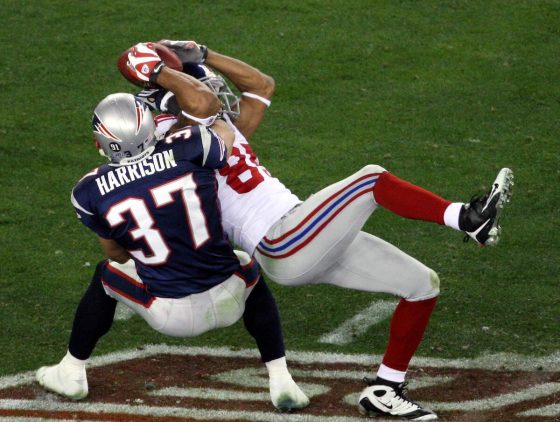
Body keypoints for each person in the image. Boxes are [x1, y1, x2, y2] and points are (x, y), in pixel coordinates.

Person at [120, 41, 514, 421]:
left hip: (305, 233)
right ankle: (468, 219)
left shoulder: (213, 131)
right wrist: (161, 72)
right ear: (173, 108)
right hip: (282, 240)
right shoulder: (179, 145)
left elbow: (262, 85)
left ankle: (385, 389)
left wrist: (204, 54)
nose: (214, 93)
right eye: (201, 86)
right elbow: (201, 104)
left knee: (422, 284)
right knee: (370, 180)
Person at [36, 43, 309, 412]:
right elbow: (222, 125)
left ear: (100, 142)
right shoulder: (191, 146)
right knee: (247, 266)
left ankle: (71, 370)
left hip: (170, 312)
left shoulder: (88, 191)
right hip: (228, 294)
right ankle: (281, 379)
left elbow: (116, 253)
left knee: (107, 274)